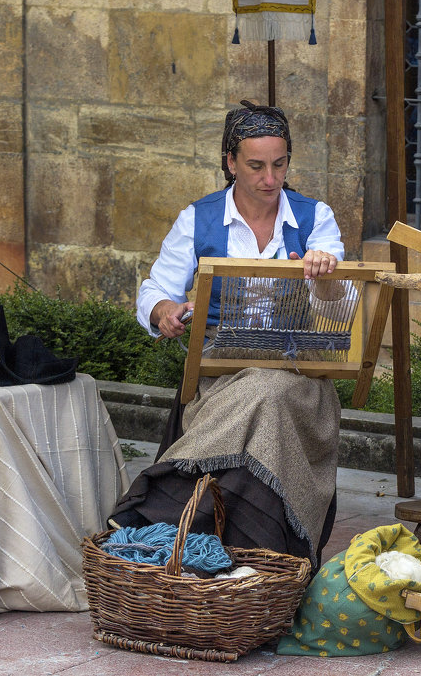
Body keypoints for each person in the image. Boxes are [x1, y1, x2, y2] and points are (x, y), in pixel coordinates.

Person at [110, 100, 346, 565]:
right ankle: (260, 551)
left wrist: (327, 277)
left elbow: (341, 307)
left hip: (299, 375)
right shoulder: (197, 219)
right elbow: (155, 288)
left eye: (279, 165)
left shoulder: (315, 218)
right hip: (218, 374)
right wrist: (165, 312)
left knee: (271, 389)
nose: (270, 179)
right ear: (230, 161)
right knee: (262, 393)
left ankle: (162, 503)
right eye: (256, 166)